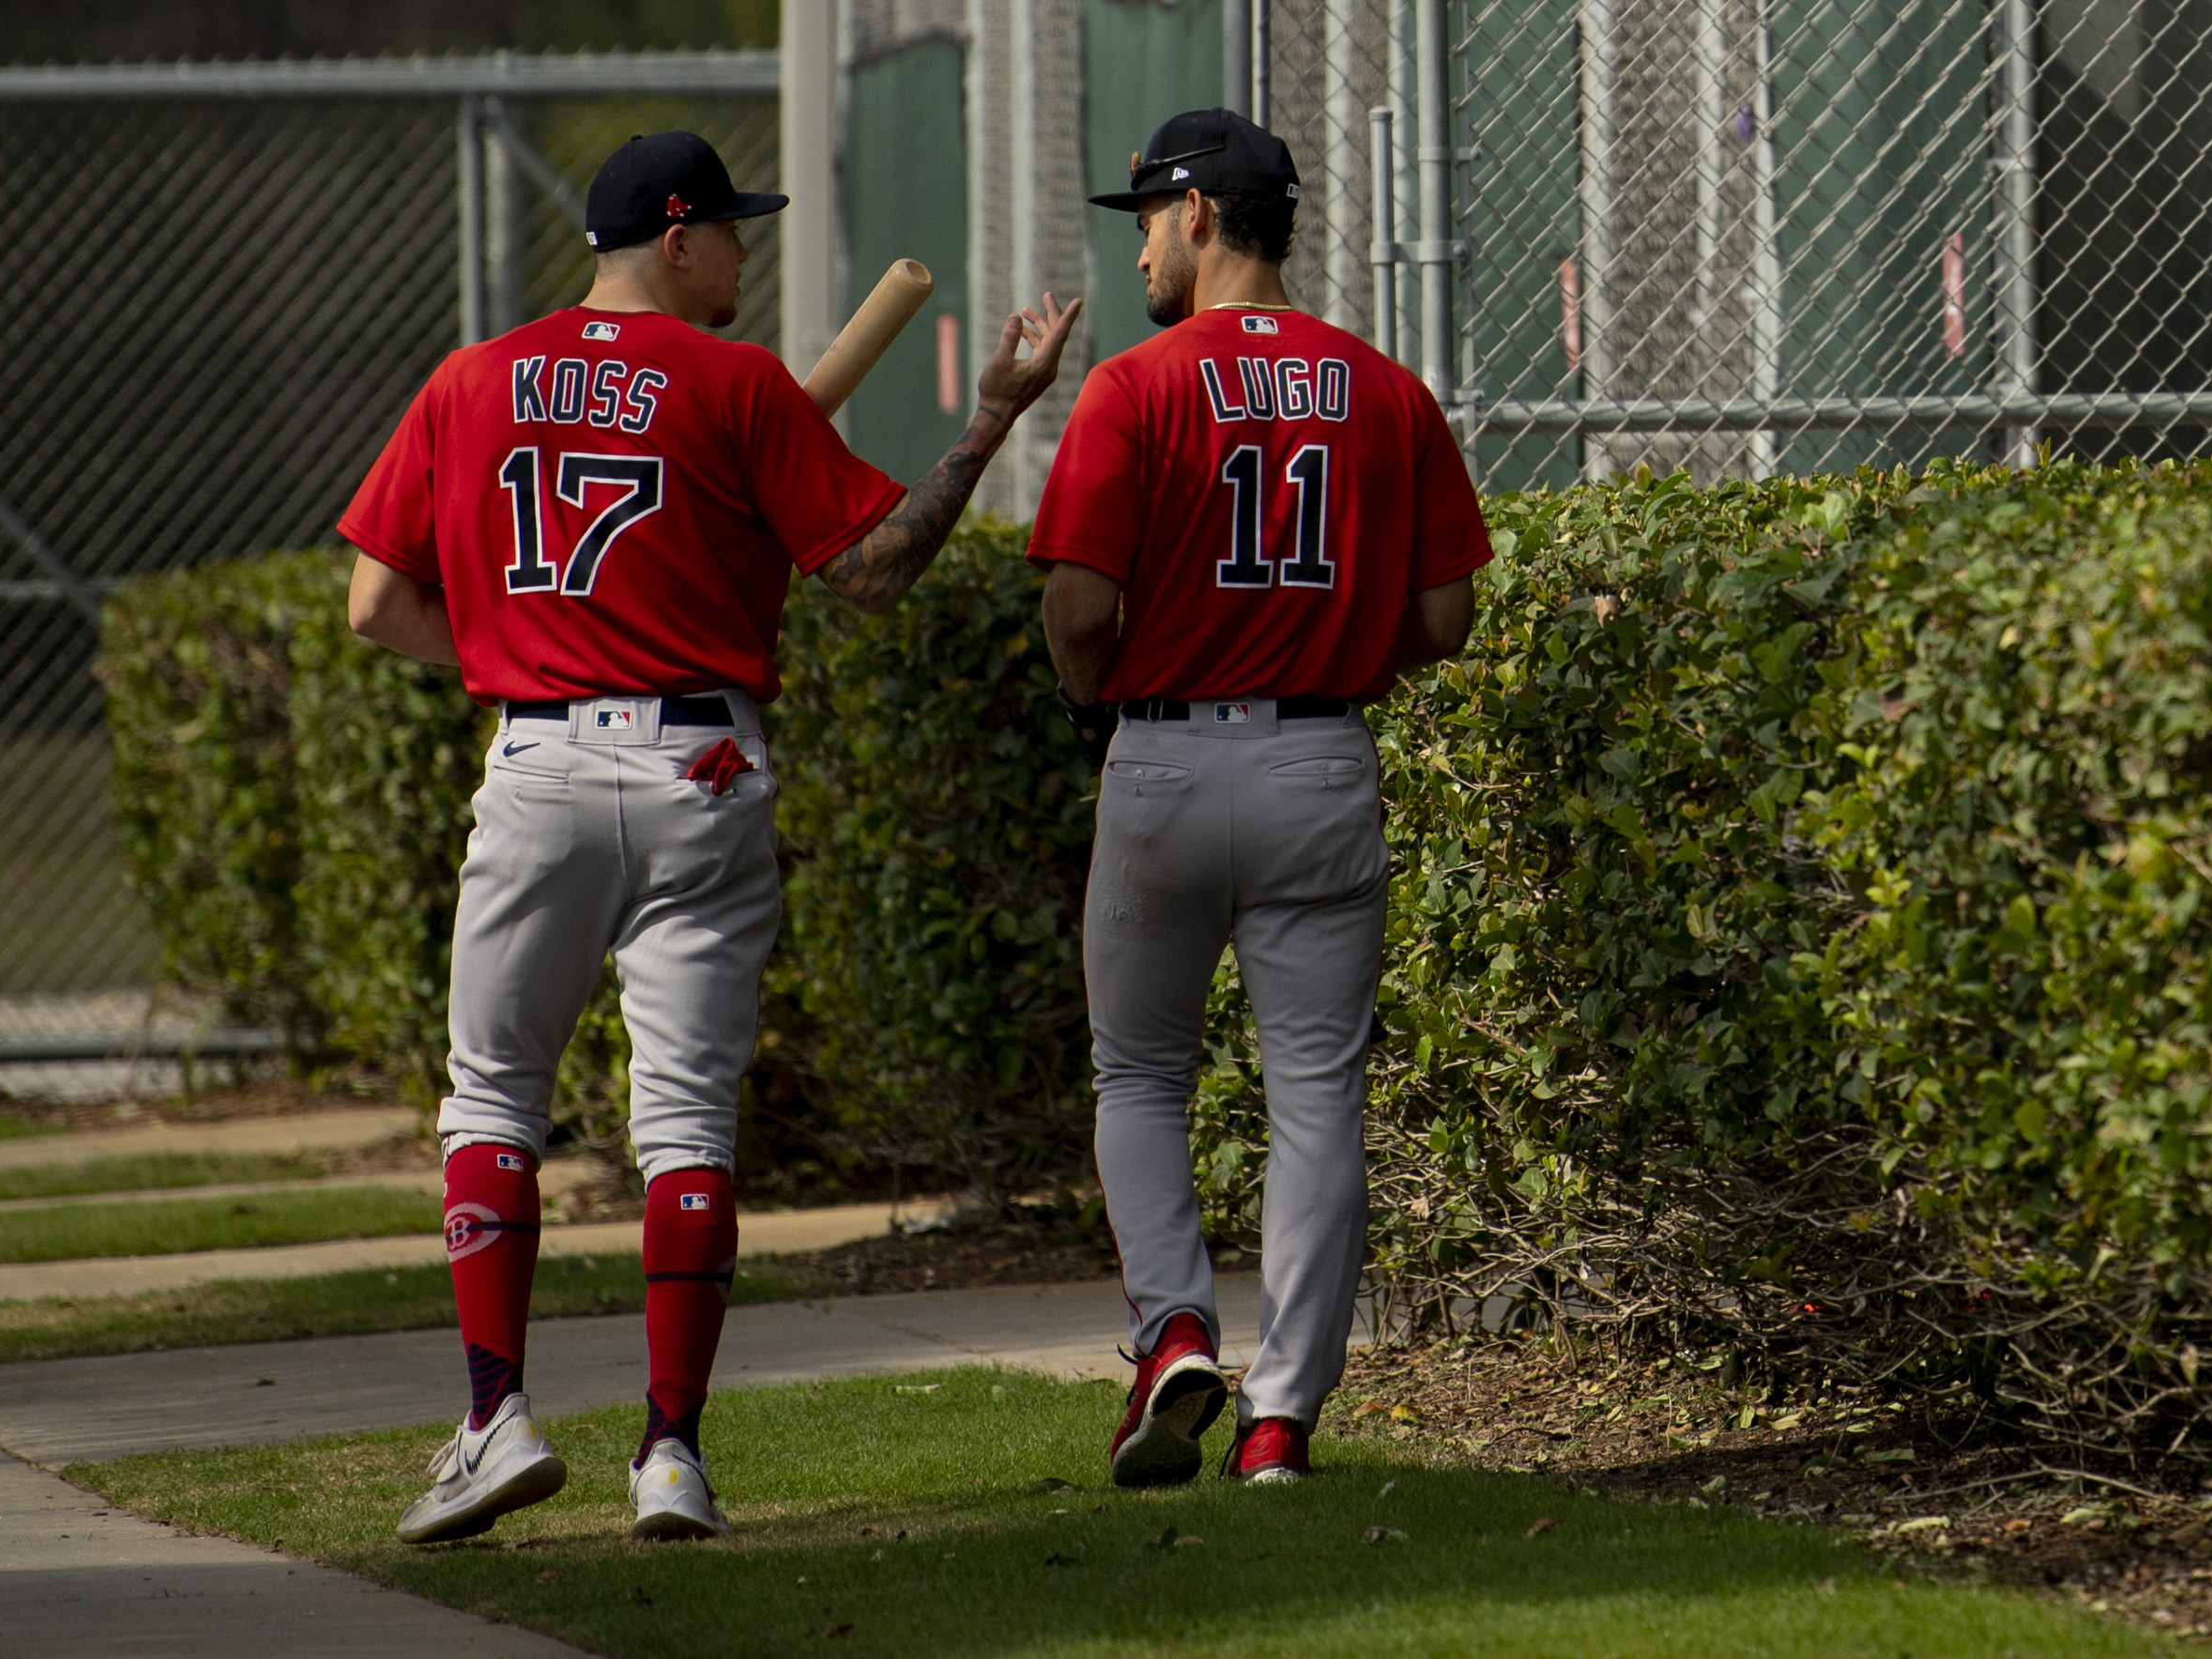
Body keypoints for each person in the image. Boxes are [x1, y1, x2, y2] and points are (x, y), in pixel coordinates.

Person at [341, 127, 1078, 1547]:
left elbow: (374, 608)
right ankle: (671, 1454)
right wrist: (991, 417)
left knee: (493, 1099)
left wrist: (515, 653)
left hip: (539, 751)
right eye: (733, 230)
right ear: (675, 240)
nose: (747, 250)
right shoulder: (734, 383)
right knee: (683, 1121)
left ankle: (493, 1422)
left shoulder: (469, 377)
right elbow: (872, 574)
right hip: (703, 758)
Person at [1030, 108, 1487, 1488]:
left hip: (1166, 754)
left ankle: (1173, 1332)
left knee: (1139, 1071)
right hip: (1317, 756)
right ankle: (1281, 1418)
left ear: (1204, 217)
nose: (1142, 255)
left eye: (1151, 223)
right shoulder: (1384, 387)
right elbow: (1448, 612)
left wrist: (1089, 696)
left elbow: (1075, 603)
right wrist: (1347, 660)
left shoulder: (1133, 384)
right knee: (1313, 1101)